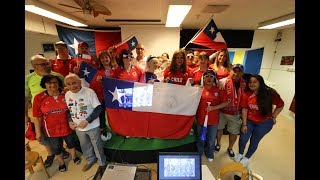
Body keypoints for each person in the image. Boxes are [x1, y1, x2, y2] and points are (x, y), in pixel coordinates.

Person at [25, 54, 69, 168]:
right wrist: (25, 115)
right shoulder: (28, 79)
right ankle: (50, 154)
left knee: (60, 133)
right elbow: (25, 98)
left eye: (47, 63)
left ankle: (60, 149)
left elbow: (66, 91)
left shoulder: (58, 76)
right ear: (35, 66)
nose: (47, 66)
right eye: (43, 64)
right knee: (42, 137)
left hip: (59, 112)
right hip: (38, 114)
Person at [32, 75, 81, 172]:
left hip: (67, 126)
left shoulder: (66, 93)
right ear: (44, 85)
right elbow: (37, 117)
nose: (52, 85)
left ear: (59, 84)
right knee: (56, 147)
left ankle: (74, 157)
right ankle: (61, 163)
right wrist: (38, 132)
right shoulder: (39, 98)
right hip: (51, 130)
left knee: (71, 143)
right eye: (49, 83)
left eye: (55, 82)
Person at [234, 74, 284, 167]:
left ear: (260, 83)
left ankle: (247, 158)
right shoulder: (247, 93)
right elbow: (244, 109)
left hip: (264, 124)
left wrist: (274, 116)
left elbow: (280, 105)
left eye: (255, 82)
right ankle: (240, 154)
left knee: (254, 141)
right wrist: (244, 124)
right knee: (243, 138)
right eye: (250, 82)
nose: (251, 84)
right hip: (249, 121)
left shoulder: (270, 93)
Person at [64, 74, 107, 172]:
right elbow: (69, 110)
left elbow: (98, 108)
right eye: (68, 84)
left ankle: (102, 162)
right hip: (78, 127)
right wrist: (70, 121)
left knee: (97, 144)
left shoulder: (89, 92)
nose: (72, 86)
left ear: (79, 82)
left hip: (92, 125)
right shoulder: (67, 94)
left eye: (74, 83)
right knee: (85, 145)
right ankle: (90, 160)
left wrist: (87, 121)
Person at [196, 70, 229, 162]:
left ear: (214, 78)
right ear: (203, 78)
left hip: (213, 120)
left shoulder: (219, 89)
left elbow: (226, 102)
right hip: (201, 119)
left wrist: (214, 107)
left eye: (211, 76)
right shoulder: (199, 89)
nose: (209, 78)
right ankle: (199, 152)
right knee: (200, 138)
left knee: (211, 139)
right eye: (206, 76)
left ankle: (209, 153)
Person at [215, 64, 246, 158]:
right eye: (234, 70)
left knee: (234, 132)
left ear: (242, 73)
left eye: (239, 71)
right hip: (222, 111)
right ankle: (218, 143)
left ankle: (230, 148)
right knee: (219, 129)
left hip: (236, 113)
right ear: (230, 71)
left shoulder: (245, 84)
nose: (236, 73)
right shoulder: (222, 81)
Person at [91, 50, 114, 141]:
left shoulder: (116, 69)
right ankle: (102, 128)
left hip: (114, 96)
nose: (105, 59)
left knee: (114, 113)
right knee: (101, 113)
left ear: (110, 58)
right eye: (102, 58)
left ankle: (117, 127)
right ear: (100, 60)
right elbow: (95, 85)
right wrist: (99, 81)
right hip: (103, 97)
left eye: (106, 57)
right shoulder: (99, 72)